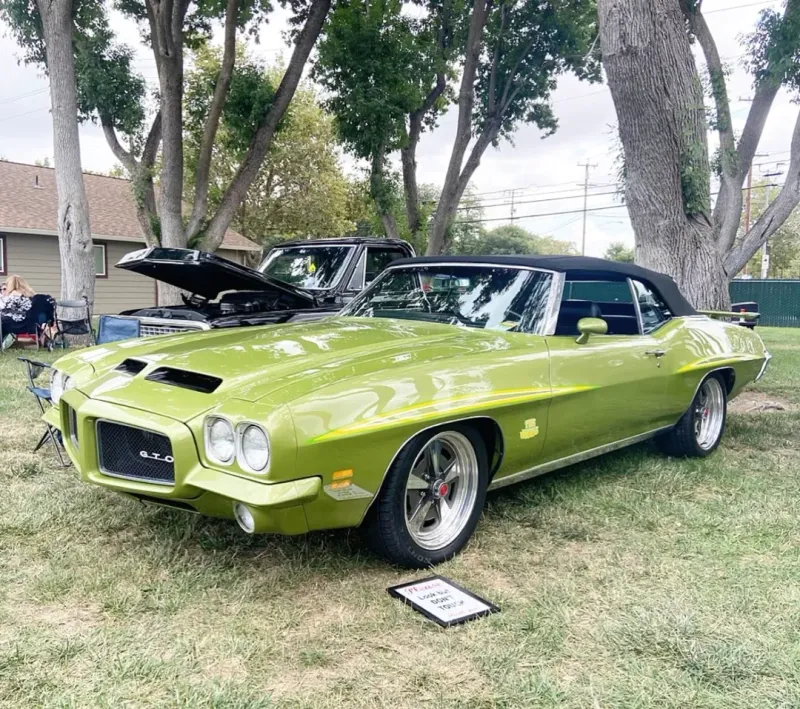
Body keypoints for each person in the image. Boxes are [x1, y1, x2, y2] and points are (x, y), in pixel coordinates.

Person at [1, 275, 35, 349]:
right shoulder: (29, 294)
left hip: (20, 324)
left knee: (2, 321)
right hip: (30, 323)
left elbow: (4, 308)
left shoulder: (14, 294)